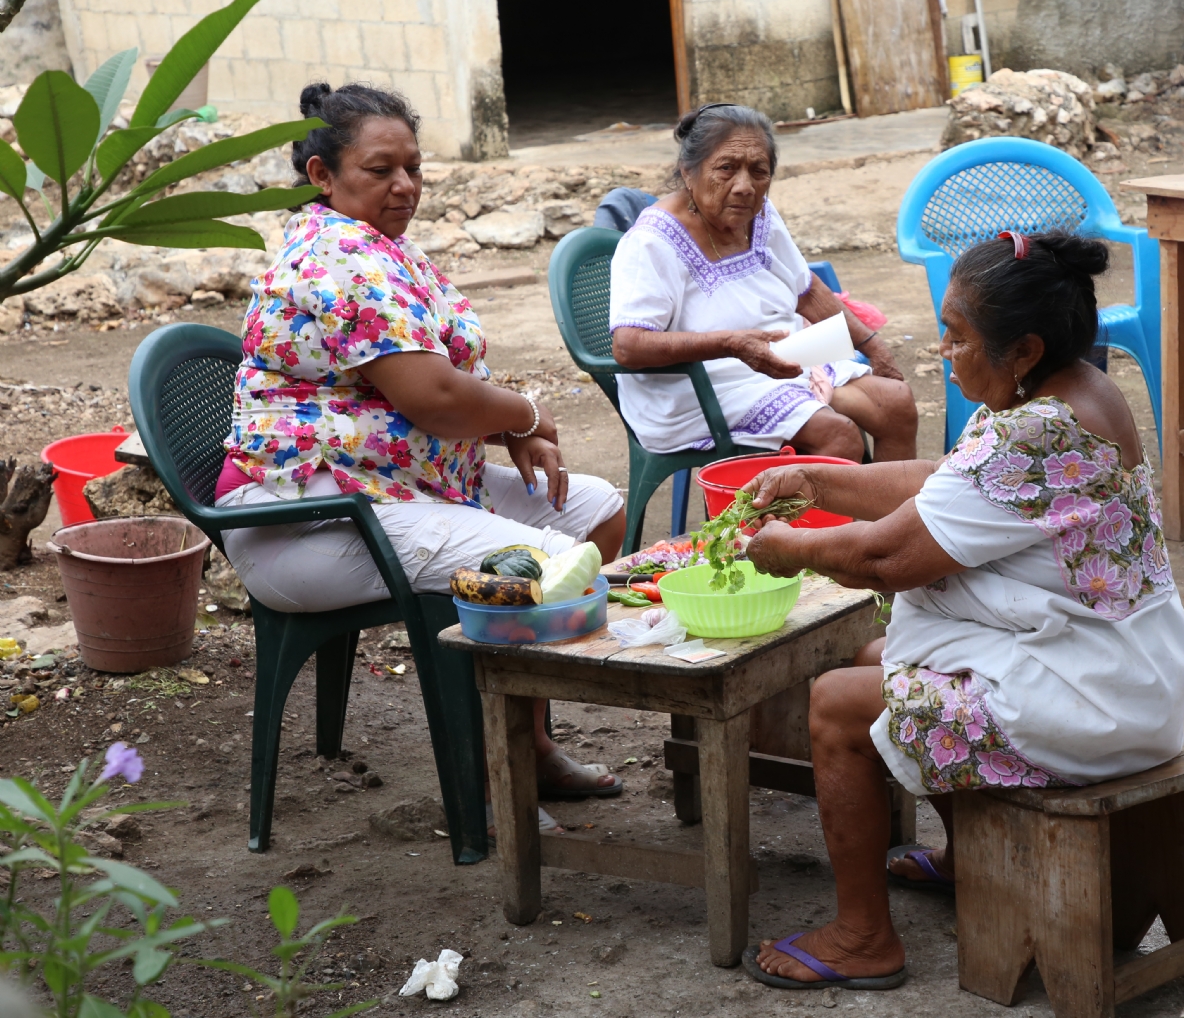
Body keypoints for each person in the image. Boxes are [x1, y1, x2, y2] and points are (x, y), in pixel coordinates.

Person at [737, 230, 1184, 989]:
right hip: (1127, 669)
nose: (943, 353)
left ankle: (863, 938)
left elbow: (882, 558)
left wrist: (789, 548)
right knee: (875, 661)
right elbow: (947, 480)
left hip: (1093, 702)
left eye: (956, 338)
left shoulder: (1037, 432)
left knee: (835, 703)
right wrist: (818, 481)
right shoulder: (1073, 388)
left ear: (1021, 348)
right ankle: (964, 860)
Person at [219, 82, 628, 815]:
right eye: (381, 170)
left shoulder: (387, 246)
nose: (405, 186)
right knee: (540, 563)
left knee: (592, 509)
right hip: (307, 518)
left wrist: (511, 428)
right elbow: (433, 397)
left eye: (413, 166)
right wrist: (529, 416)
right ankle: (490, 790)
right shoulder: (338, 254)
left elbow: (440, 380)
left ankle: (529, 745)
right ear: (323, 175)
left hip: (393, 486)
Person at [608, 103, 917, 462]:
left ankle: (890, 515)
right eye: (726, 168)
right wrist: (731, 344)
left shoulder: (760, 214)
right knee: (837, 436)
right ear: (688, 171)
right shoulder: (651, 242)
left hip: (782, 360)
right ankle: (836, 519)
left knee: (897, 404)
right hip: (698, 389)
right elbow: (628, 346)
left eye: (759, 171)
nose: (744, 187)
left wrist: (874, 347)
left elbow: (807, 291)